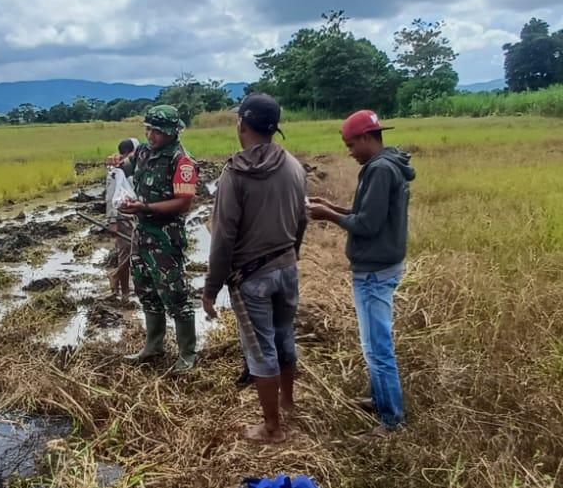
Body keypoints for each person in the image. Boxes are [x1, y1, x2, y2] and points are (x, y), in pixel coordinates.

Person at [202, 93, 307, 444]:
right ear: (274, 128)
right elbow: (302, 219)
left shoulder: (235, 173)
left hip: (252, 277)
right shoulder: (293, 165)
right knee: (284, 336)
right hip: (287, 267)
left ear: (242, 125)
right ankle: (287, 403)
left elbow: (223, 237)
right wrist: (292, 256)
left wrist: (210, 288)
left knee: (261, 350)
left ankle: (272, 427)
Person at [308, 110, 415, 437]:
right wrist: (332, 205)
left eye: (351, 144)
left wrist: (327, 215)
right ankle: (380, 398)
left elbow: (366, 225)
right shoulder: (385, 165)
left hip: (374, 272)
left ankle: (391, 421)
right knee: (374, 341)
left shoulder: (380, 171)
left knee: (376, 346)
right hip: (383, 264)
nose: (349, 151)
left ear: (368, 138)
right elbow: (367, 213)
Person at [113, 105, 199, 373]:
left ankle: (187, 353)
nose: (151, 135)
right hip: (142, 233)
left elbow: (183, 203)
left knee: (174, 293)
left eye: (158, 131)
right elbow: (127, 169)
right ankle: (154, 346)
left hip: (165, 236)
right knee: (146, 289)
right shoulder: (143, 152)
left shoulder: (182, 161)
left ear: (173, 132)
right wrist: (116, 163)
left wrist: (145, 207)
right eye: (148, 129)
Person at [105, 138, 139, 302]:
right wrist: (112, 220)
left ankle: (121, 284)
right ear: (129, 152)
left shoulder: (134, 167)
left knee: (133, 251)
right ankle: (122, 286)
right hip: (122, 217)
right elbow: (111, 196)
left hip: (135, 215)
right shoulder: (116, 170)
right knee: (127, 252)